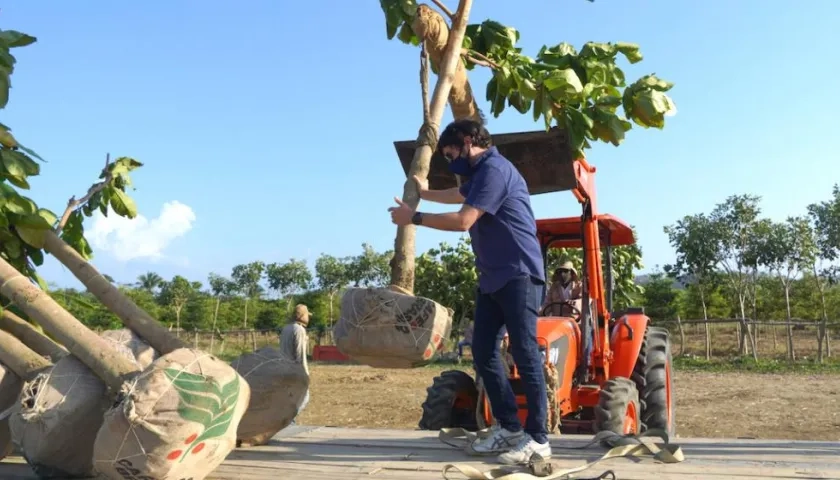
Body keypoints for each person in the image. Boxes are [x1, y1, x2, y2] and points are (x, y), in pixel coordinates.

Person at [388, 119, 550, 465]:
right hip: (492, 278)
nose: (451, 162)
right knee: (483, 351)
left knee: (524, 353)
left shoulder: (495, 170)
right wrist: (424, 192)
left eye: (451, 154)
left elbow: (464, 220)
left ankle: (538, 439)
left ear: (467, 141)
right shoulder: (480, 175)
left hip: (518, 274)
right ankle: (510, 428)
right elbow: (459, 194)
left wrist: (414, 217)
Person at [280, 304, 311, 422]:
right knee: (304, 397)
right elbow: (300, 354)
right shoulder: (299, 330)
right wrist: (304, 373)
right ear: (303, 316)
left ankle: (288, 420)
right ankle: (289, 421)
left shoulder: (286, 328)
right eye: (307, 315)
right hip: (294, 370)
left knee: (290, 398)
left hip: (284, 368)